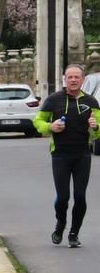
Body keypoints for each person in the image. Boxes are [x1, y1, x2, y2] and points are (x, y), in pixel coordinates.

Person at [33, 64, 100, 247]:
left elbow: (98, 133)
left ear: (83, 80)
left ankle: (73, 234)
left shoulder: (92, 102)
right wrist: (50, 127)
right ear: (65, 79)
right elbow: (38, 121)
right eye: (70, 77)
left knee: (80, 196)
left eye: (77, 77)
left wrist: (95, 127)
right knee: (63, 198)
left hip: (82, 155)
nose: (73, 80)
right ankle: (61, 223)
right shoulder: (54, 100)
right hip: (60, 155)